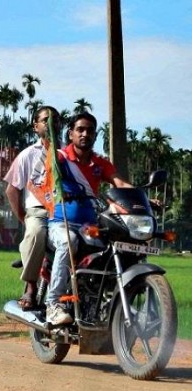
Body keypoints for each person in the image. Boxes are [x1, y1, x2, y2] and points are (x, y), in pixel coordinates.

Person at [43, 112, 132, 325]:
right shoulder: (60, 158)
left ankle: (102, 303)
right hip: (60, 222)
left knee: (112, 250)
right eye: (80, 130)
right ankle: (53, 305)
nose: (85, 134)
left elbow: (119, 183)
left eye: (90, 130)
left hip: (89, 226)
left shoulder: (100, 163)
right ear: (71, 133)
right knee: (69, 242)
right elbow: (48, 177)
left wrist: (141, 198)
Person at [4, 106, 63, 310]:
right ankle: (30, 287)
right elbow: (12, 191)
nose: (51, 123)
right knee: (36, 232)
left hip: (65, 211)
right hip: (38, 210)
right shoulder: (27, 155)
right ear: (35, 127)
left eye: (55, 120)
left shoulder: (67, 154)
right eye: (45, 120)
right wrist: (25, 219)